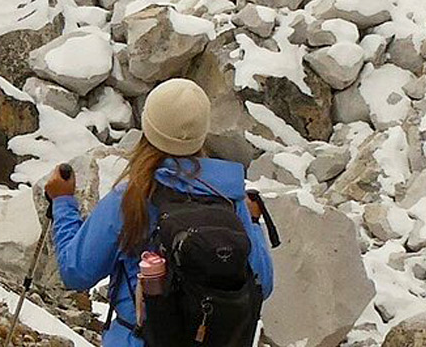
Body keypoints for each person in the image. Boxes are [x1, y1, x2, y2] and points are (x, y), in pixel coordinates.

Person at [44, 79, 275, 347]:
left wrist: (62, 202)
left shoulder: (131, 198)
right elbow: (263, 284)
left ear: (147, 127)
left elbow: (77, 271)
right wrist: (254, 223)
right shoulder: (228, 198)